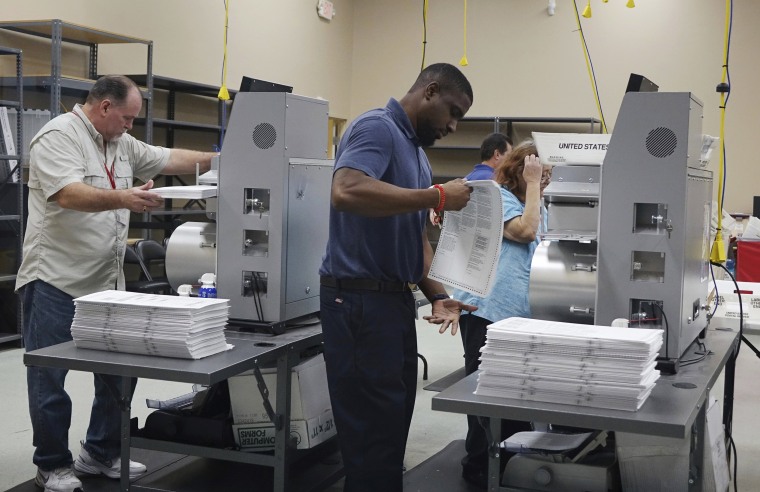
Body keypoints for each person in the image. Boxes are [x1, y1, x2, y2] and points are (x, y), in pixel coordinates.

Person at [15, 74, 217, 492]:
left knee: (119, 374)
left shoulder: (120, 143)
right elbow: (68, 194)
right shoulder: (59, 136)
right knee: (49, 377)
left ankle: (100, 452)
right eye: (126, 118)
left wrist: (219, 158)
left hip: (106, 280)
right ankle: (51, 464)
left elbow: (166, 158)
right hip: (55, 278)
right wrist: (126, 198)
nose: (130, 127)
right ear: (104, 107)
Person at [319, 62, 479, 492]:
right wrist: (438, 195)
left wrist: (437, 293)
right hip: (356, 303)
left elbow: (416, 240)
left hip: (391, 303)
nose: (453, 125)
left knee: (390, 426)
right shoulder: (377, 128)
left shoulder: (418, 156)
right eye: (453, 111)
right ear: (430, 91)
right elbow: (346, 191)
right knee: (370, 433)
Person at [453, 139, 551, 489]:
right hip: (487, 310)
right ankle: (479, 464)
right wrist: (533, 185)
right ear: (521, 171)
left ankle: (508, 460)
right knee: (483, 392)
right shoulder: (499, 198)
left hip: (516, 314)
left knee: (511, 392)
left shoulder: (534, 203)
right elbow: (524, 233)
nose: (545, 179)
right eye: (540, 173)